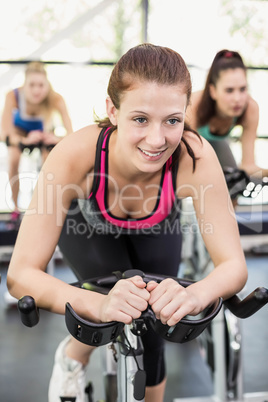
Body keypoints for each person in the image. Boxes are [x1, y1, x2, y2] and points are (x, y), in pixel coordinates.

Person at [7, 44, 247, 402]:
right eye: (140, 119)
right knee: (114, 306)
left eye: (172, 120)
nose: (157, 139)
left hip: (156, 225)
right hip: (87, 224)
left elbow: (234, 266)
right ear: (113, 111)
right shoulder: (75, 155)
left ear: (185, 115)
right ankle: (73, 357)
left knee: (155, 326)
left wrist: (193, 294)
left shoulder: (194, 156)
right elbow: (21, 274)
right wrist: (99, 307)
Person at [1, 61, 73, 221]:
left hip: (44, 133)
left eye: (41, 85)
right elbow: (3, 133)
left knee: (49, 160)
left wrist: (56, 139)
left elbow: (71, 134)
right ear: (24, 85)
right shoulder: (12, 96)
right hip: (20, 134)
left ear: (47, 85)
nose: (36, 90)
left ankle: (44, 205)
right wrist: (24, 140)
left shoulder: (56, 99)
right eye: (32, 85)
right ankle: (15, 209)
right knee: (14, 157)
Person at [186, 49, 268, 181]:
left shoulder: (250, 108)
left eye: (242, 89)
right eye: (229, 90)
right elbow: (188, 158)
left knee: (234, 183)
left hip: (219, 144)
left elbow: (248, 167)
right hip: (187, 152)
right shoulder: (194, 105)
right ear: (213, 91)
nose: (237, 98)